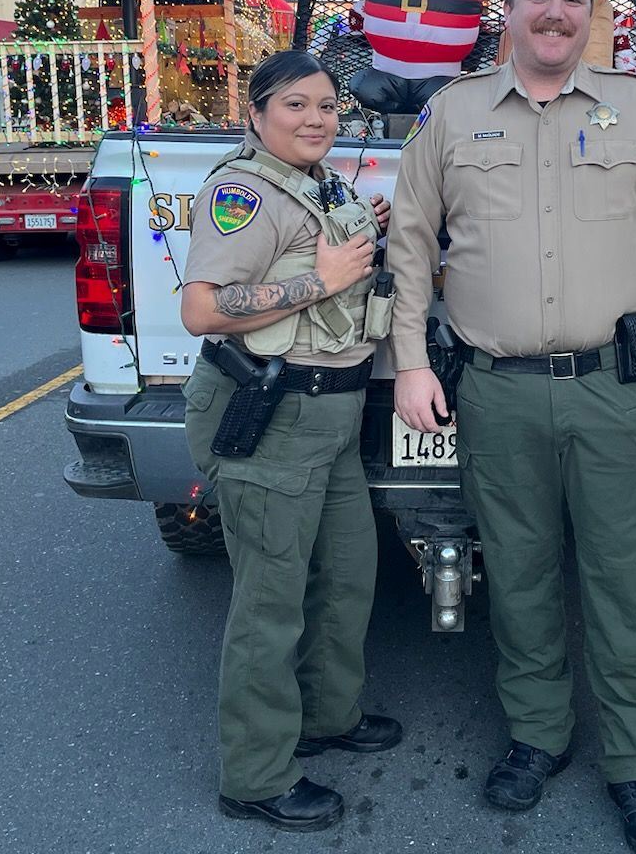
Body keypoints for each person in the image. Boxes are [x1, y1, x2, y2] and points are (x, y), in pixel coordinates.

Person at [387, 0, 636, 854]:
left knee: (626, 582)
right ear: (511, 4)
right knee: (522, 576)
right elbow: (410, 244)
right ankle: (537, 737)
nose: (556, 14)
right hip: (494, 391)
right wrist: (411, 359)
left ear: (592, 9)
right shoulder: (452, 116)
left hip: (616, 393)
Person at [180, 51, 400, 833]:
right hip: (274, 416)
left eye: (327, 106)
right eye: (296, 105)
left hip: (334, 419)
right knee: (270, 604)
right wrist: (322, 280)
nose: (314, 119)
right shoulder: (241, 192)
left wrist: (355, 236)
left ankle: (326, 717)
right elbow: (203, 312)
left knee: (347, 577)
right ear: (257, 112)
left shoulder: (319, 184)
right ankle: (257, 773)